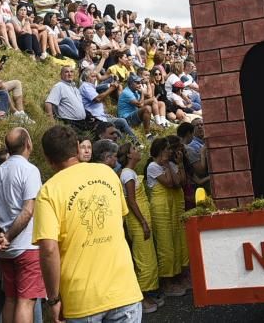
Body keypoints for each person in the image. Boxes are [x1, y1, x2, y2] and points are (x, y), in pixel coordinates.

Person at [33, 124, 143, 323]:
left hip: (81, 299)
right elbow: (119, 219)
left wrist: (53, 298)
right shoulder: (108, 173)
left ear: (48, 159)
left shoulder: (48, 192)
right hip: (123, 289)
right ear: (77, 147)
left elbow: (49, 250)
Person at [0, 128, 45, 323]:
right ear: (28, 143)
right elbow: (29, 210)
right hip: (26, 246)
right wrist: (9, 237)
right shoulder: (29, 170)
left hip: (5, 250)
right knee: (26, 301)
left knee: (10, 298)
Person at [116, 143, 161, 313]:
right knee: (144, 259)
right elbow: (131, 201)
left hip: (142, 216)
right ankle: (140, 298)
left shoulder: (131, 172)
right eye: (134, 149)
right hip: (137, 220)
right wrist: (142, 222)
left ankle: (148, 293)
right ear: (128, 155)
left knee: (148, 256)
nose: (138, 151)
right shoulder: (127, 174)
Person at [145, 138, 187, 297]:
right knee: (165, 246)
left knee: (177, 241)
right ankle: (166, 283)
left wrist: (179, 164)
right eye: (167, 149)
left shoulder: (169, 164)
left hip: (172, 206)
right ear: (161, 150)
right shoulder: (152, 167)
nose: (170, 152)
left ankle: (177, 276)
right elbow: (169, 183)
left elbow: (180, 182)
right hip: (160, 208)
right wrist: (168, 165)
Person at [44, 66, 94, 132]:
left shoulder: (75, 88)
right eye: (66, 72)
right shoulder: (59, 86)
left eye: (71, 72)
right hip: (69, 123)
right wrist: (51, 122)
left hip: (82, 123)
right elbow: (48, 103)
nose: (70, 74)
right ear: (61, 75)